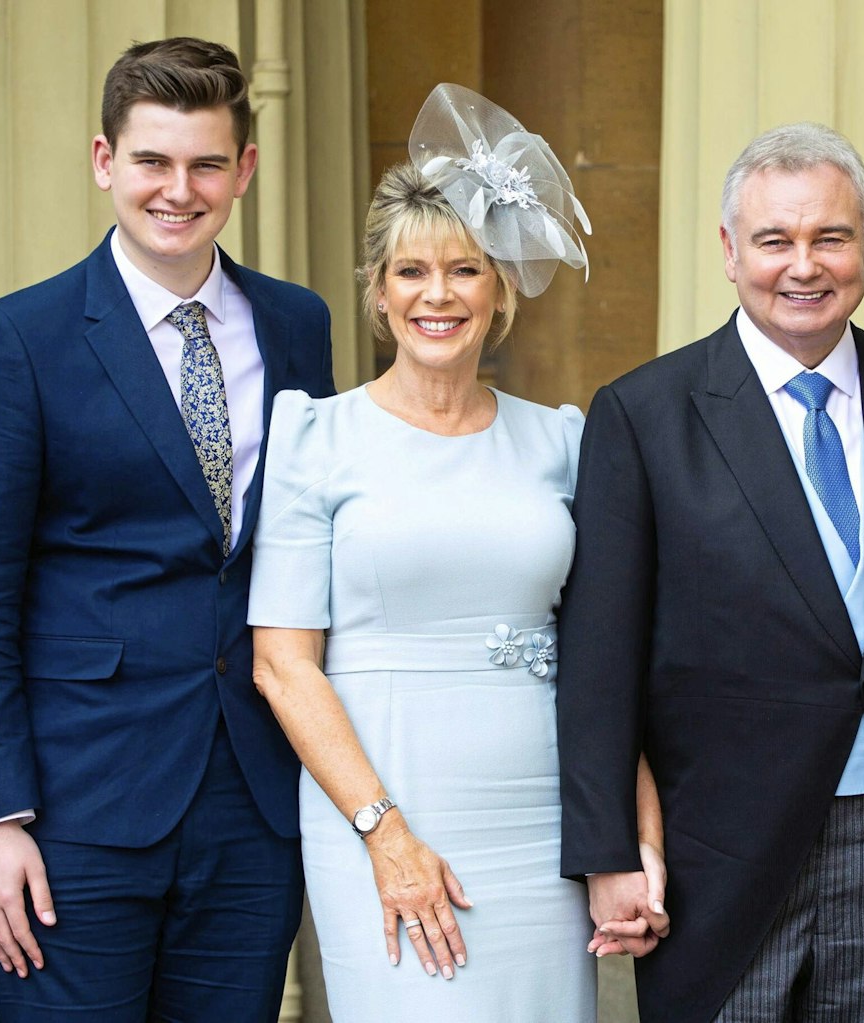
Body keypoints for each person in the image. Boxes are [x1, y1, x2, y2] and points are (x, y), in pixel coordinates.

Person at [0, 37, 334, 1019]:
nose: (177, 190)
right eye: (151, 161)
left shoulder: (297, 325)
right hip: (76, 807)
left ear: (243, 170)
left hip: (253, 798)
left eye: (203, 164)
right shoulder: (21, 337)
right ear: (105, 161)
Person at [247, 83, 658, 1023]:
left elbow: (604, 658)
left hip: (544, 825)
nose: (438, 294)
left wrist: (628, 837)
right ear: (380, 291)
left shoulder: (561, 439)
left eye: (466, 270)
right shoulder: (317, 436)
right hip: (385, 809)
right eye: (412, 272)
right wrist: (385, 835)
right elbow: (282, 665)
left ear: (500, 288)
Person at [559, 121, 864, 1022]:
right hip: (721, 855)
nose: (803, 265)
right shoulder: (643, 414)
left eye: (830, 236)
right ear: (731, 251)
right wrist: (608, 849)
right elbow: (599, 654)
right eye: (775, 240)